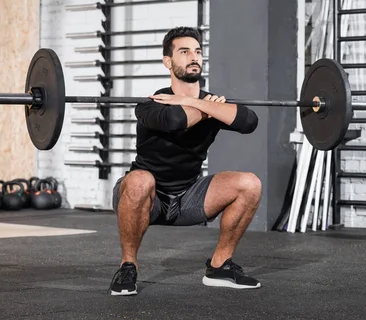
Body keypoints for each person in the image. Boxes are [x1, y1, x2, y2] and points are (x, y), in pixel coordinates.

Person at [108, 26, 263, 296]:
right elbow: (175, 121)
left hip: (189, 197)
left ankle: (219, 267)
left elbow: (249, 122)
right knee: (140, 179)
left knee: (250, 184)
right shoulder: (152, 103)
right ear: (167, 62)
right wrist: (208, 108)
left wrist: (199, 103)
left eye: (198, 51)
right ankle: (127, 267)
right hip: (146, 197)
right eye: (184, 51)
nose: (194, 57)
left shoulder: (211, 102)